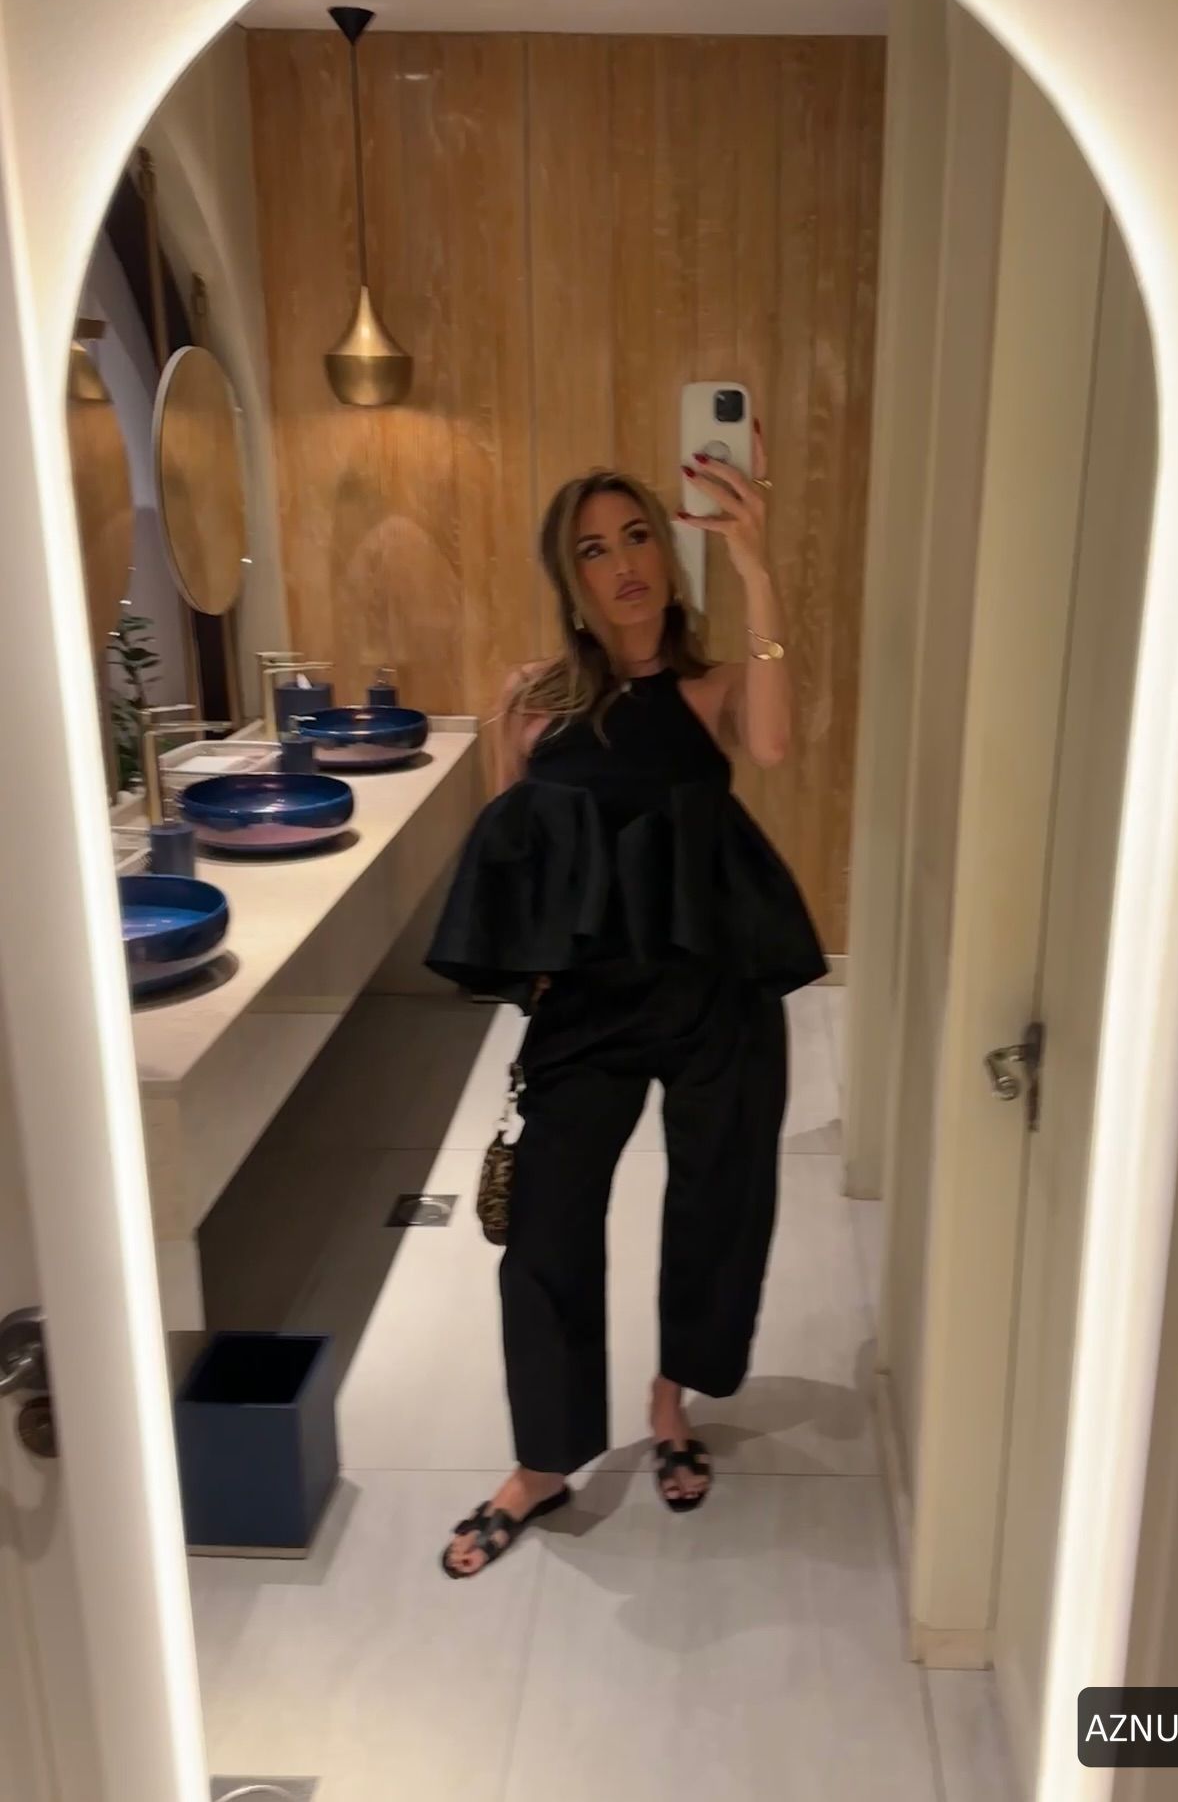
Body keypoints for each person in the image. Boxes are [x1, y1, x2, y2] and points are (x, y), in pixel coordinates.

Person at [426, 422, 826, 1580]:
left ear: (667, 551)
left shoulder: (710, 692)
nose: (624, 564)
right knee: (547, 1224)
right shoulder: (532, 704)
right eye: (594, 550)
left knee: (718, 1203)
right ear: (571, 579)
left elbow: (776, 740)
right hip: (590, 1010)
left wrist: (754, 563)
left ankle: (669, 1399)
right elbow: (515, 859)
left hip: (715, 993)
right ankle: (543, 1462)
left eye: (639, 535)